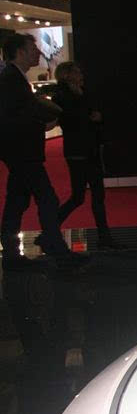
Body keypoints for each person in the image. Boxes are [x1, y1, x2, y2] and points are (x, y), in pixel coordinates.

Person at [0, 34, 85, 270]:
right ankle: (56, 249)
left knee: (17, 201)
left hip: (20, 153)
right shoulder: (11, 80)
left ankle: (12, 255)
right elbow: (11, 119)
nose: (38, 52)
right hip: (22, 152)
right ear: (19, 52)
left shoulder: (14, 78)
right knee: (46, 198)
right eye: (32, 48)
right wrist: (42, 125)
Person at [50, 62, 121, 249]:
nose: (81, 75)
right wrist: (91, 118)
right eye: (77, 72)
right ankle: (50, 228)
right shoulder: (62, 96)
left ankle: (104, 236)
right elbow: (69, 120)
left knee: (95, 194)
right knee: (79, 196)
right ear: (67, 75)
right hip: (77, 151)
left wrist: (97, 118)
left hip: (89, 149)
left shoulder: (80, 93)